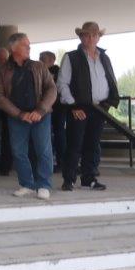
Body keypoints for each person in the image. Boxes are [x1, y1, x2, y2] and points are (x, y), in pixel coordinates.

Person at [0, 33, 57, 200]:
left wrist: (41, 110)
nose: (29, 47)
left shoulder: (39, 66)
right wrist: (19, 114)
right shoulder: (2, 71)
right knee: (18, 151)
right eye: (24, 45)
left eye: (29, 44)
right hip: (17, 117)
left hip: (41, 116)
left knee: (43, 150)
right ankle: (27, 184)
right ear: (13, 48)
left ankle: (44, 185)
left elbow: (52, 89)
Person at [57, 22, 119, 191]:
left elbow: (110, 80)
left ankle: (88, 179)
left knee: (93, 144)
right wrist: (73, 106)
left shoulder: (104, 58)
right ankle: (68, 179)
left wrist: (108, 103)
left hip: (100, 108)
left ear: (99, 37)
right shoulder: (71, 57)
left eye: (94, 35)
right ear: (81, 37)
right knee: (74, 144)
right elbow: (62, 84)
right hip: (79, 108)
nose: (91, 38)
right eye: (87, 35)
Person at [40, 51, 65, 174]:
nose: (40, 60)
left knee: (58, 134)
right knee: (47, 135)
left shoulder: (58, 72)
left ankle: (61, 161)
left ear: (51, 60)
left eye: (42, 59)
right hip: (45, 108)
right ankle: (49, 161)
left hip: (58, 108)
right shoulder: (39, 71)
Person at [0, 47, 13, 176]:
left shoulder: (11, 71)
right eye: (0, 59)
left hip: (8, 107)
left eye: (4, 59)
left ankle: (5, 165)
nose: (2, 61)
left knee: (7, 136)